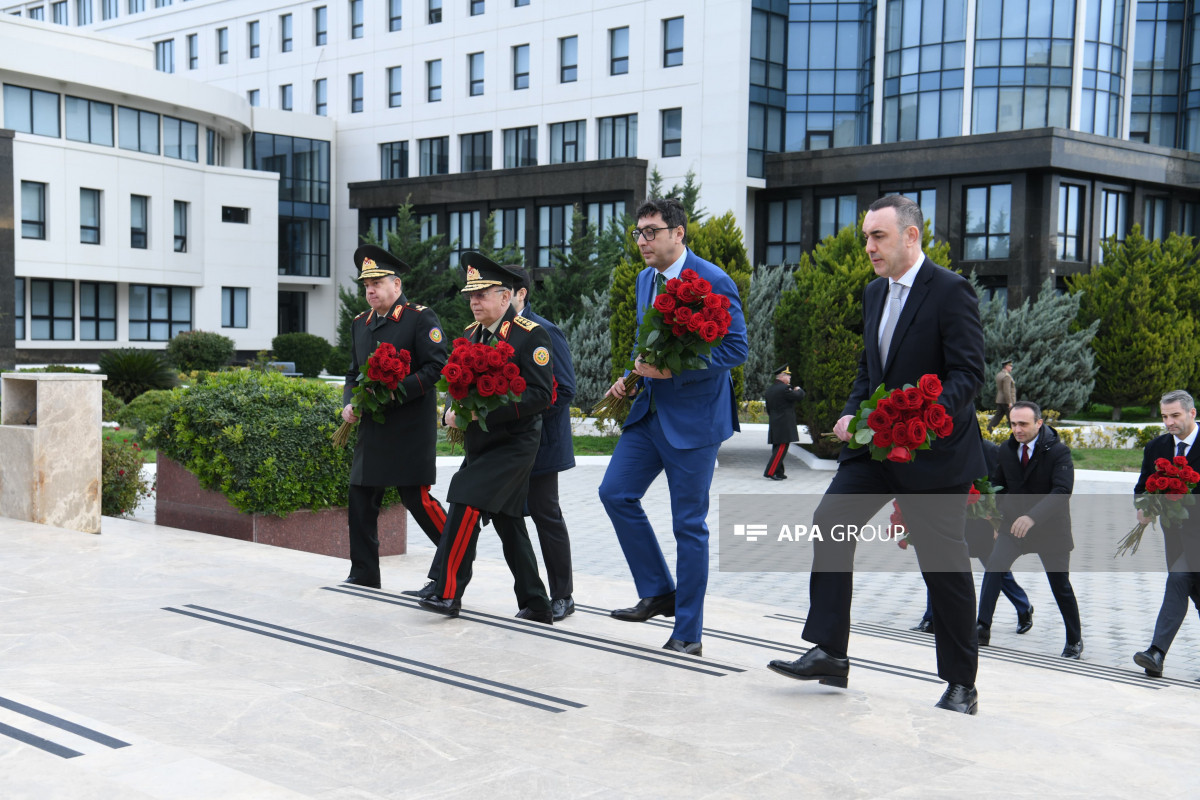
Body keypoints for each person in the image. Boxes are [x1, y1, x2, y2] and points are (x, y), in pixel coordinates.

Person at [767, 195, 985, 715]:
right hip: (875, 448)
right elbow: (871, 374)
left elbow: (967, 376)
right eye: (866, 236)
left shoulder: (951, 292)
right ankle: (830, 653)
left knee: (943, 567)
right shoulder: (873, 294)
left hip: (935, 455)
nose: (868, 246)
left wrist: (920, 419)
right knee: (830, 520)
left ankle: (962, 684)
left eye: (878, 236)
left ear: (911, 236)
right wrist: (851, 415)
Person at [598, 197, 748, 657]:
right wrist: (631, 374)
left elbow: (736, 350)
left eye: (651, 231)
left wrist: (674, 372)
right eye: (638, 232)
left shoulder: (713, 280)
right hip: (648, 414)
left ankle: (688, 632)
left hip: (695, 422)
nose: (642, 240)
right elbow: (650, 341)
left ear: (678, 234)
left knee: (688, 525)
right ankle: (659, 590)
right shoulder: (646, 279)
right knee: (615, 493)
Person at [417, 253, 555, 622]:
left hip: (514, 442)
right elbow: (456, 380)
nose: (474, 301)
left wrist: (483, 413)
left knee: (465, 497)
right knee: (509, 521)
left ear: (506, 297)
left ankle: (447, 590)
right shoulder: (468, 335)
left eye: (482, 294)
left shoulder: (530, 335)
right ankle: (536, 602)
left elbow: (542, 395)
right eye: (471, 295)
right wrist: (451, 409)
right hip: (481, 441)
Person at [342, 244, 449, 589]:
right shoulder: (361, 323)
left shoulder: (420, 317)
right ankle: (363, 574)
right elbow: (351, 373)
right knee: (360, 497)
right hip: (372, 428)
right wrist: (348, 403)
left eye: (377, 282)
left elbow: (436, 367)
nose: (370, 290)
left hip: (409, 428)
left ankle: (456, 555)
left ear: (396, 286)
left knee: (415, 499)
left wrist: (397, 390)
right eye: (366, 284)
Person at [976, 401, 1083, 659]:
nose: (1017, 429)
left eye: (1023, 424)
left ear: (1039, 423)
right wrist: (994, 518)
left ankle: (1074, 639)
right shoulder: (1006, 450)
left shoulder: (1059, 452)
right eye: (1013, 424)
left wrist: (1032, 517)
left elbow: (1061, 491)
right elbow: (997, 486)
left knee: (1060, 585)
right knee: (994, 568)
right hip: (1012, 527)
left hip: (1050, 530)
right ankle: (982, 628)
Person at [510, 267, 578, 621]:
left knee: (545, 515)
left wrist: (520, 415)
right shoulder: (494, 333)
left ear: (520, 293)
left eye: (500, 290)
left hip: (541, 444)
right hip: (508, 443)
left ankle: (562, 595)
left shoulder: (544, 330)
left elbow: (564, 389)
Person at [911, 439, 1033, 635]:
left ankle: (1023, 606)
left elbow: (1000, 486)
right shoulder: (941, 446)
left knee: (994, 567)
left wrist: (997, 520)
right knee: (938, 563)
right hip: (948, 516)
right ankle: (931, 618)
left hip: (981, 518)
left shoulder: (989, 450)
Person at [1132, 389, 1200, 677]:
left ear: (1192, 413)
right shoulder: (1156, 448)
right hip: (1176, 539)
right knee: (1193, 592)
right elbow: (1141, 489)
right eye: (1164, 416)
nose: (1169, 422)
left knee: (1177, 580)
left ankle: (1156, 652)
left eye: (1175, 415)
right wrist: (1144, 507)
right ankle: (1156, 654)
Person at [764, 365, 805, 480]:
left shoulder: (770, 389)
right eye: (788, 375)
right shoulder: (785, 389)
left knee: (777, 447)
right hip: (784, 423)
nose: (790, 377)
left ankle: (779, 472)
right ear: (782, 376)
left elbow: (768, 408)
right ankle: (770, 472)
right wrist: (799, 390)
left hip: (775, 421)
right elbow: (799, 396)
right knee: (781, 447)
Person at [988, 359, 1016, 432]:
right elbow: (1007, 391)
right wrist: (1009, 402)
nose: (1011, 368)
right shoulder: (1007, 376)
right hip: (1006, 401)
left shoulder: (1000, 374)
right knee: (1012, 418)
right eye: (1010, 366)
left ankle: (988, 430)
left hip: (1000, 400)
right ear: (1006, 366)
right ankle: (1014, 434)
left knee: (997, 417)